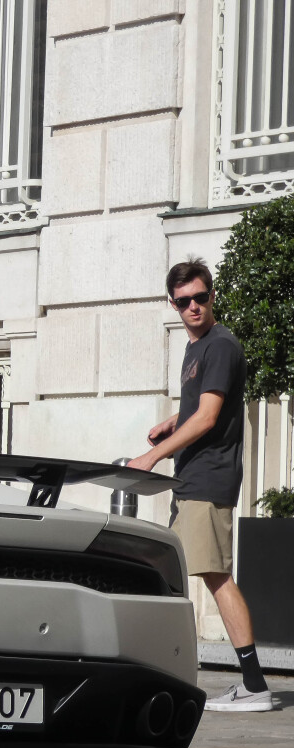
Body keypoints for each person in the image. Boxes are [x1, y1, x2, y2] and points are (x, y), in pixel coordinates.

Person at [128, 257, 271, 711]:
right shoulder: (196, 349)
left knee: (215, 576)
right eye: (184, 300)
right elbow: (202, 405)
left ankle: (253, 684)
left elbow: (210, 418)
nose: (194, 306)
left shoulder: (220, 345)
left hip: (208, 477)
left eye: (201, 297)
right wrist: (171, 423)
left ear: (212, 295)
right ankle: (224, 677)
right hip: (192, 475)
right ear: (173, 304)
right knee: (193, 572)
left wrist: (152, 455)